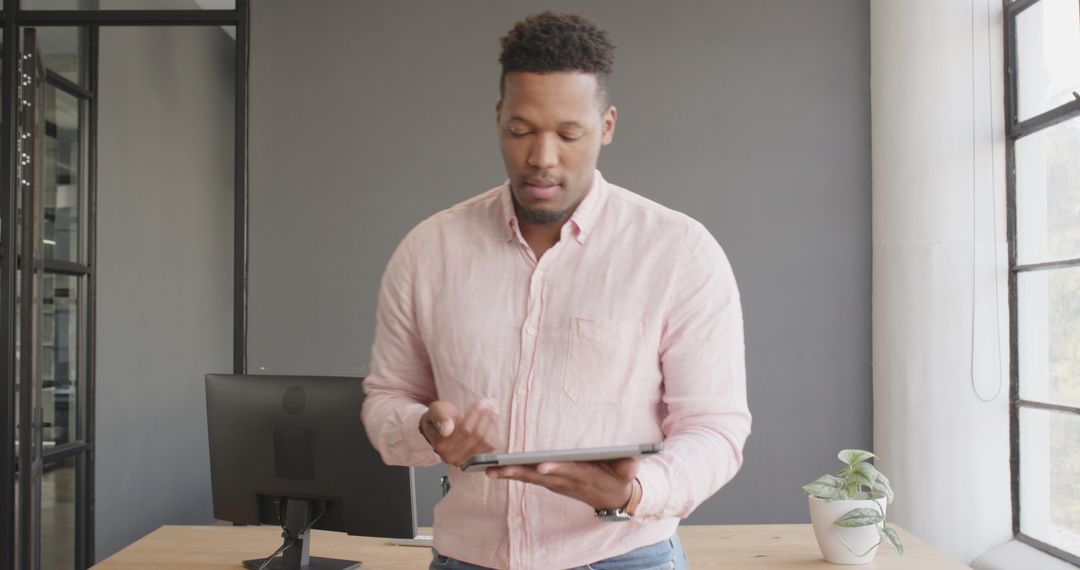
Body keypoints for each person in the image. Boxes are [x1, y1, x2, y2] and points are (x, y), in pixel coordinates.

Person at [361, 11, 751, 570]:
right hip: (466, 559)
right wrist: (425, 431)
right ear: (498, 117)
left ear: (607, 126)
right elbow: (387, 398)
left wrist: (634, 492)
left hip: (623, 556)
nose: (542, 158)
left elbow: (715, 427)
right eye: (521, 131)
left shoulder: (679, 253)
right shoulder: (429, 251)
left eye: (569, 134)